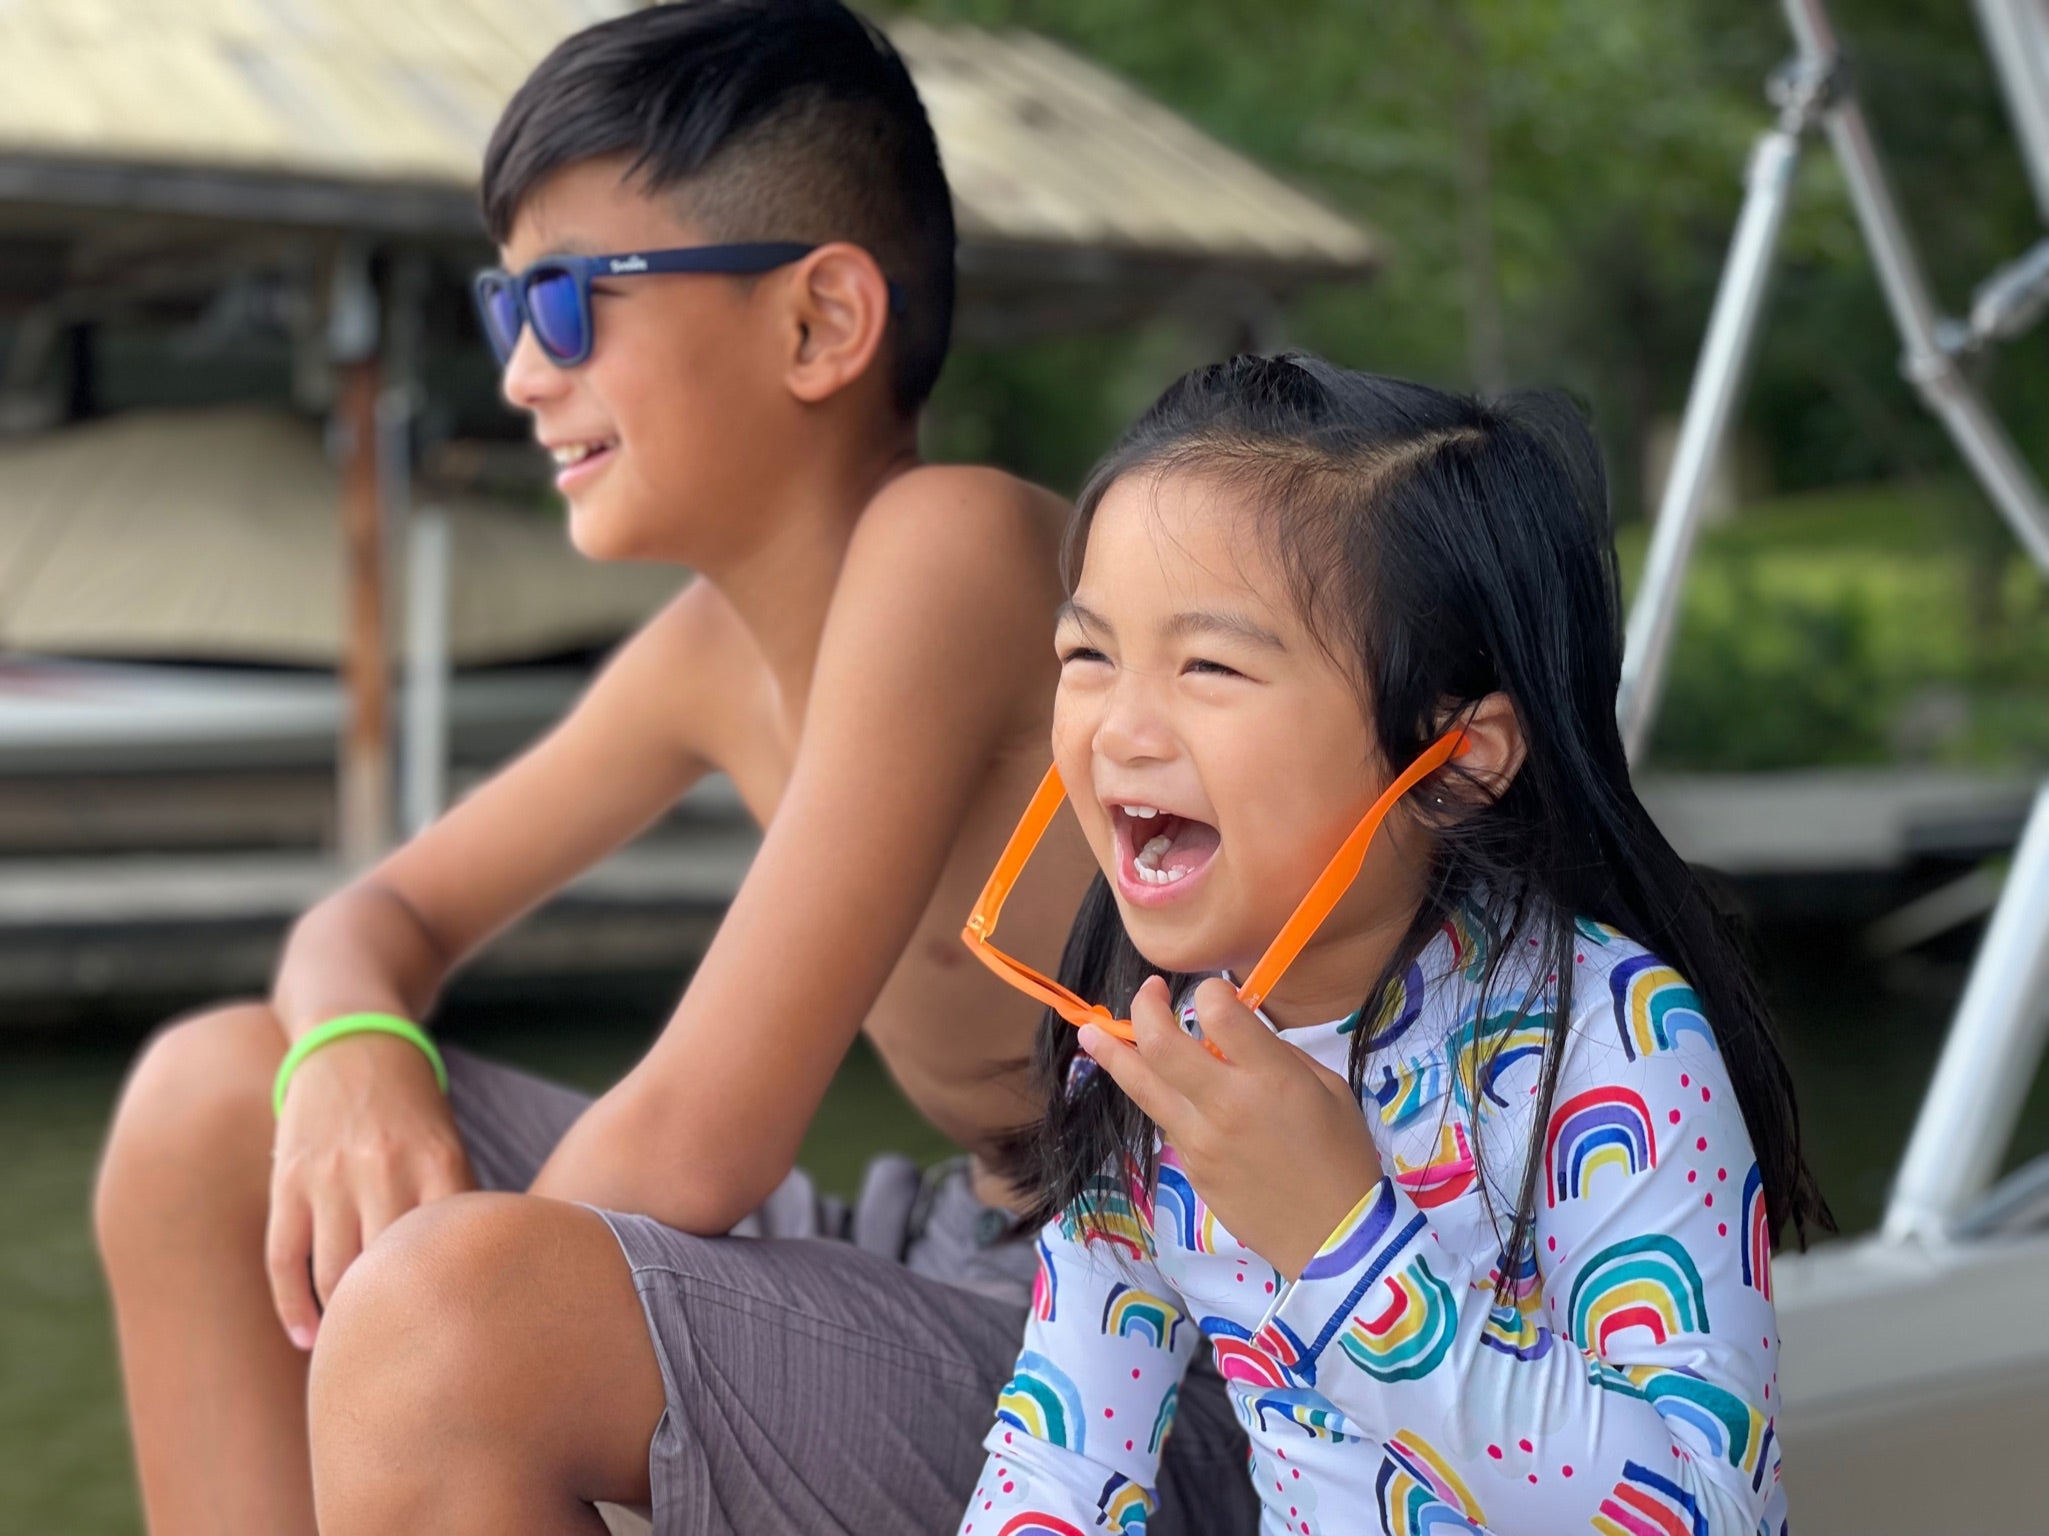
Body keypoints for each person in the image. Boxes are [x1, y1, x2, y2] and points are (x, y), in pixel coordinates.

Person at [91, 6, 1258, 1534]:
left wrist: (445, 1335)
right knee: (209, 1106)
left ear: (818, 325)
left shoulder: (955, 549)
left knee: (452, 1329)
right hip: (956, 1258)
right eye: (502, 303)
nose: (517, 372)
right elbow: (369, 919)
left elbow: (703, 1139)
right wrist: (350, 1055)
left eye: (567, 302)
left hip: (1183, 1351)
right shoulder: (706, 651)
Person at [958, 354, 1829, 1536]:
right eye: (1088, 655)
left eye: (1209, 665)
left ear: (1458, 759)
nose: (1121, 724)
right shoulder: (1142, 1058)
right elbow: (1060, 1461)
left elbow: (1705, 1516)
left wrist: (1344, 1238)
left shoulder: (1611, 1041)